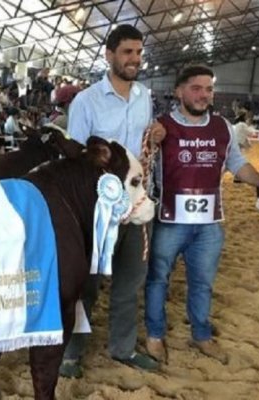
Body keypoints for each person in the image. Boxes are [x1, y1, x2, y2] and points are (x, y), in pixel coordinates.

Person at [144, 65, 259, 365]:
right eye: (196, 88)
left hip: (208, 224)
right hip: (169, 220)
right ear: (179, 91)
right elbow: (142, 164)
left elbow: (237, 164)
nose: (204, 95)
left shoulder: (222, 128)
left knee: (202, 282)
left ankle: (201, 335)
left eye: (208, 89)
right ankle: (154, 334)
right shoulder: (160, 126)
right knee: (157, 279)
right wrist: (152, 141)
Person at [60, 24, 166, 377]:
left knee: (130, 281)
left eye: (138, 52)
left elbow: (142, 148)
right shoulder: (86, 101)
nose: (134, 59)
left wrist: (157, 133)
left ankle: (122, 348)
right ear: (109, 55)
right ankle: (71, 354)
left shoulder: (144, 97)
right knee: (85, 285)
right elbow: (76, 158)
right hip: (98, 211)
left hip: (136, 205)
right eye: (127, 52)